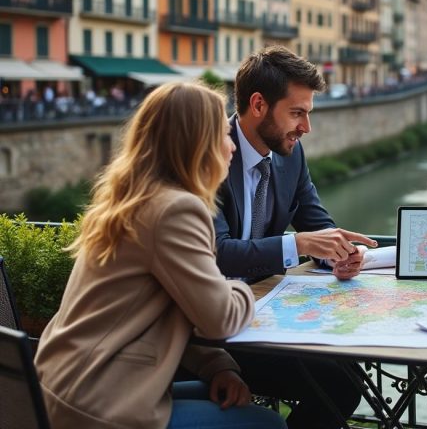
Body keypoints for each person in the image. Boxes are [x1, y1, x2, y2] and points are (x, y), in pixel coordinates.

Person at [34, 82, 287, 429]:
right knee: (268, 425)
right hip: (97, 405)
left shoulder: (133, 200)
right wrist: (248, 289)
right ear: (197, 143)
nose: (231, 146)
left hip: (65, 387)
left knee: (233, 396)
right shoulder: (176, 210)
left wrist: (218, 366)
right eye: (223, 135)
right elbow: (220, 318)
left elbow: (163, 310)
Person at [213, 45, 377, 428]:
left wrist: (340, 253)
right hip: (214, 329)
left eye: (308, 113)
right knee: (337, 383)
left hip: (265, 312)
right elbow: (218, 253)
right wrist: (300, 245)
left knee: (349, 370)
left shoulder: (290, 154)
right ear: (258, 104)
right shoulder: (210, 152)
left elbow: (316, 223)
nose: (306, 128)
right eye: (297, 113)